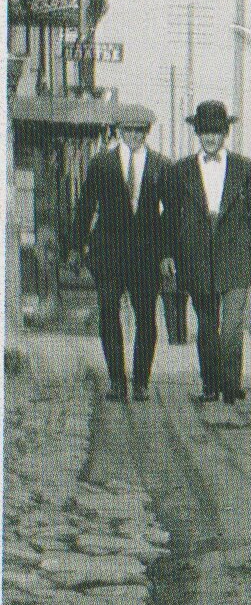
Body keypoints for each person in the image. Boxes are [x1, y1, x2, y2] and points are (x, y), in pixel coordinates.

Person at [165, 101, 251, 404]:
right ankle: (210, 385)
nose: (210, 137)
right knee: (206, 326)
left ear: (225, 133)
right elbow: (171, 218)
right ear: (198, 133)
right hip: (197, 257)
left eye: (216, 131)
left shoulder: (244, 168)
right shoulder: (181, 171)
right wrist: (168, 254)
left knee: (231, 326)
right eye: (205, 132)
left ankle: (231, 385)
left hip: (236, 255)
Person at [71, 105, 169, 401]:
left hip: (146, 257)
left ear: (147, 132)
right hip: (109, 254)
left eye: (140, 130)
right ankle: (116, 380)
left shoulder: (161, 165)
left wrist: (167, 253)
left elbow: (172, 213)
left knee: (147, 319)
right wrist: (75, 246)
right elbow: (86, 205)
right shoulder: (102, 163)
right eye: (128, 130)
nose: (134, 135)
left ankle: (141, 381)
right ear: (119, 131)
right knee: (108, 315)